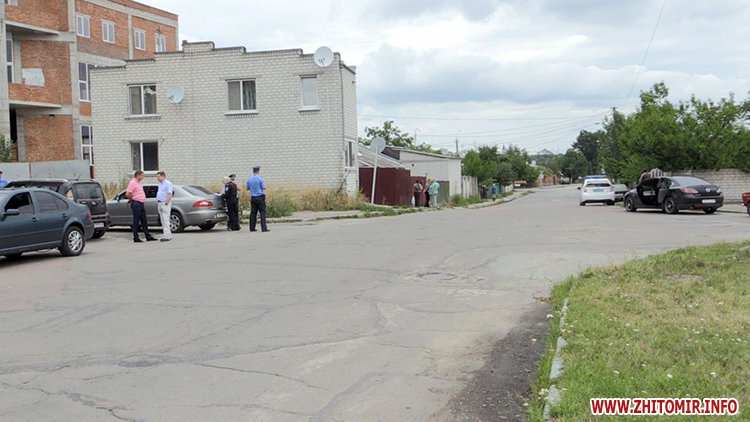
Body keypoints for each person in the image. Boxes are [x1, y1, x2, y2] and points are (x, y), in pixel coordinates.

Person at [126, 170, 156, 243]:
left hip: (141, 203)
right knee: (136, 220)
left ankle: (147, 236)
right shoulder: (132, 183)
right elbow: (128, 193)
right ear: (137, 175)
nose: (143, 177)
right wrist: (132, 199)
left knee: (144, 220)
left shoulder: (138, 183)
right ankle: (136, 237)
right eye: (142, 175)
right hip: (136, 203)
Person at [246, 166, 269, 232]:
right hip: (260, 197)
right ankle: (264, 228)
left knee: (253, 213)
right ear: (258, 171)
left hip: (253, 197)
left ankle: (252, 228)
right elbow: (264, 187)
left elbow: (247, 188)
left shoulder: (250, 179)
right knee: (262, 212)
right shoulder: (260, 178)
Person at [156, 171, 174, 242]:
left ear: (163, 176)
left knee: (165, 219)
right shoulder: (160, 184)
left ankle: (167, 235)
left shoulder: (168, 184)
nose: (157, 178)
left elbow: (169, 193)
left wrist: (166, 202)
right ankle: (166, 233)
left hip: (165, 203)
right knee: (162, 220)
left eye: (159, 176)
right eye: (157, 177)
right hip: (160, 202)